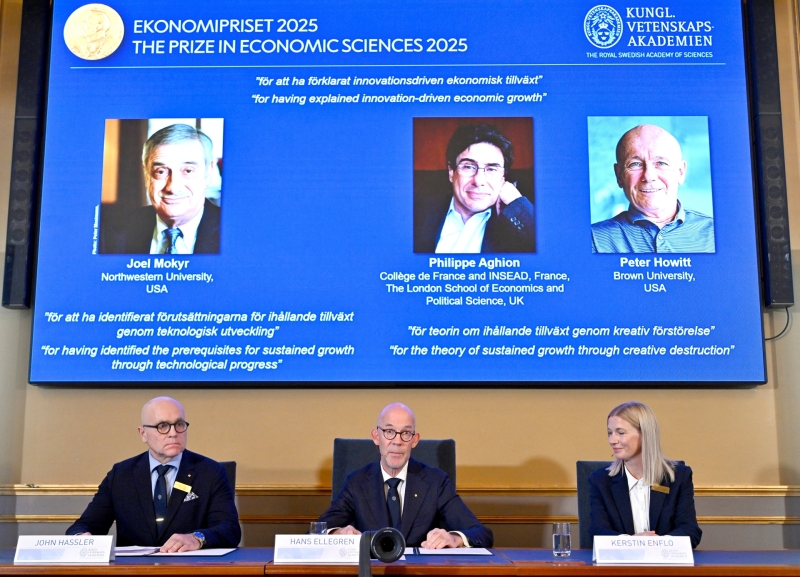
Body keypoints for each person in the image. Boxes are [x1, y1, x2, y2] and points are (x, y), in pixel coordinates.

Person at [65, 397, 240, 551]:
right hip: (133, 571)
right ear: (143, 434)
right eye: (163, 426)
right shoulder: (121, 475)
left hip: (189, 569)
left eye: (179, 424)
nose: (173, 433)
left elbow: (229, 529)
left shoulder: (210, 472)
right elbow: (85, 525)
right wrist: (81, 538)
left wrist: (197, 538)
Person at [317, 402, 493, 548]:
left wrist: (455, 539)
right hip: (372, 571)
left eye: (406, 433)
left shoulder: (435, 482)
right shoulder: (356, 483)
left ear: (415, 440)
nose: (397, 441)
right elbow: (316, 532)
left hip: (420, 572)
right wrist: (337, 534)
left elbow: (481, 533)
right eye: (389, 431)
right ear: (376, 436)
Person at [588, 401, 702, 548]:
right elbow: (597, 532)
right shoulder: (600, 480)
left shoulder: (679, 476)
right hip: (621, 561)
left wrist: (657, 544)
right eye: (610, 433)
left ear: (645, 434)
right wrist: (632, 543)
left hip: (664, 561)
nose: (612, 440)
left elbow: (690, 531)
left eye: (620, 433)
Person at [591, 124, 714, 253]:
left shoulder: (715, 233)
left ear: (681, 172)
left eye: (661, 163)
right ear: (619, 175)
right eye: (635, 164)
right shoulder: (592, 240)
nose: (649, 176)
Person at [100, 124, 221, 254]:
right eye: (161, 171)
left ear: (209, 172)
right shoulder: (110, 232)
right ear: (146, 174)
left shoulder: (233, 232)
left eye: (188, 171)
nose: (172, 188)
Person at [414, 123, 535, 253]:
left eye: (492, 169)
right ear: (451, 172)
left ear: (503, 177)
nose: (478, 181)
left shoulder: (518, 221)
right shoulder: (418, 212)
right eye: (468, 167)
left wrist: (518, 206)